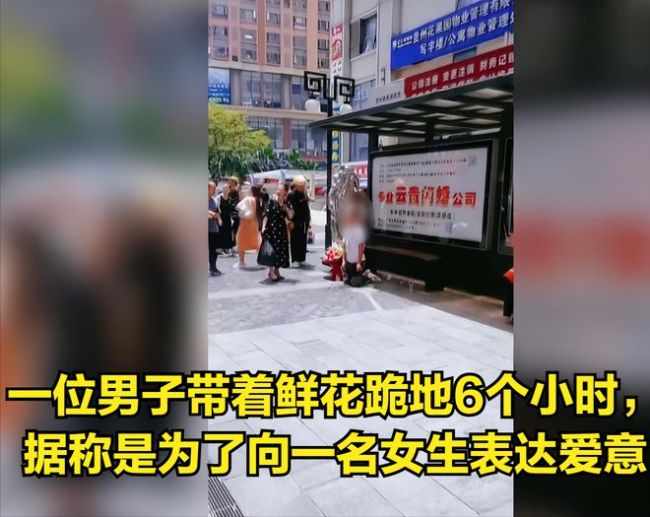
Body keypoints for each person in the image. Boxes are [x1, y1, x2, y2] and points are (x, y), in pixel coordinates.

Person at [261, 183, 293, 282]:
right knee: (271, 250)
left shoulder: (287, 203)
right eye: (278, 188)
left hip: (281, 230)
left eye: (280, 188)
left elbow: (291, 216)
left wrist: (286, 208)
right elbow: (266, 214)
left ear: (285, 192)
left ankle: (276, 270)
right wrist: (263, 226)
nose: (278, 190)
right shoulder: (271, 201)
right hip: (271, 228)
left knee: (280, 250)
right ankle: (271, 271)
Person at [341, 192, 368, 286]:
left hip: (357, 261)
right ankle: (353, 275)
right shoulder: (347, 230)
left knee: (354, 282)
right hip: (349, 261)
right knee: (347, 281)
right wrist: (344, 261)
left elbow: (361, 247)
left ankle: (366, 276)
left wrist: (358, 263)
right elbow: (345, 247)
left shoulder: (359, 230)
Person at [234, 185, 262, 267]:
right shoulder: (257, 200)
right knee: (256, 242)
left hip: (245, 223)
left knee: (240, 240)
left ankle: (241, 261)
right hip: (254, 223)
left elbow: (238, 207)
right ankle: (260, 260)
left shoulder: (247, 199)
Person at [287, 175, 311, 265]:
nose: (302, 187)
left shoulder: (303, 195)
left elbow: (306, 207)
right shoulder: (291, 195)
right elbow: (290, 208)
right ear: (296, 186)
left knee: (302, 239)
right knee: (295, 239)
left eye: (303, 186)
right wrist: (290, 220)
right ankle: (295, 258)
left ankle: (301, 258)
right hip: (295, 220)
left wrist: (308, 220)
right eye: (300, 186)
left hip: (304, 220)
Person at [208, 180, 222, 276]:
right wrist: (212, 214)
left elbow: (217, 212)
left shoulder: (215, 200)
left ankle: (213, 267)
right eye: (213, 188)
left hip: (213, 228)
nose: (214, 190)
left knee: (214, 249)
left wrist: (219, 219)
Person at [216, 182, 233, 253]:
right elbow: (217, 207)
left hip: (227, 217)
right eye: (224, 188)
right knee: (221, 232)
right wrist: (219, 218)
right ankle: (220, 248)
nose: (225, 190)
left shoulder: (230, 198)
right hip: (221, 216)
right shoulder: (219, 197)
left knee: (228, 232)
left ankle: (226, 247)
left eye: (227, 189)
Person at [227, 176, 240, 256]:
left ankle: (232, 247)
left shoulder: (233, 191)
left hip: (233, 214)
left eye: (230, 181)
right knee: (234, 230)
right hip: (234, 213)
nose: (229, 182)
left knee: (233, 231)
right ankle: (232, 247)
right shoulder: (233, 190)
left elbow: (232, 202)